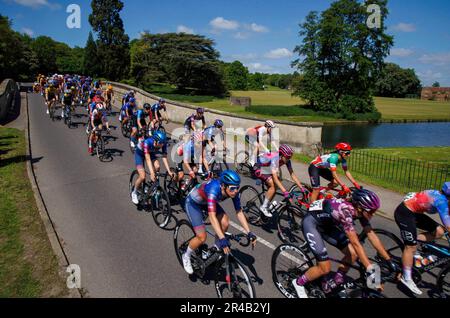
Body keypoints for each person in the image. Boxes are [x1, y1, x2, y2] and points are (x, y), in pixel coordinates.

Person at [292, 189, 396, 298]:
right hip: (312, 224)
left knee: (353, 254)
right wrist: (371, 270)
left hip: (328, 225)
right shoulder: (345, 212)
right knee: (325, 268)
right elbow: (355, 243)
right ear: (360, 207)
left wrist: (388, 259)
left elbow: (371, 235)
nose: (373, 214)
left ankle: (336, 280)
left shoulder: (360, 211)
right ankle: (298, 283)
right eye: (371, 211)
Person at [181, 170, 257, 275]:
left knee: (225, 222)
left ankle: (214, 250)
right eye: (232, 188)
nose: (235, 191)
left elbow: (239, 212)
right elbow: (212, 217)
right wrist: (222, 239)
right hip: (194, 204)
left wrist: (249, 232)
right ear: (223, 186)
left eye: (237, 188)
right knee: (202, 237)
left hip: (207, 202)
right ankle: (186, 256)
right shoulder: (213, 190)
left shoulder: (233, 192)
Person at [394, 182, 450, 295]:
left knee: (439, 232)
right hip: (404, 213)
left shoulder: (442, 197)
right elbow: (448, 225)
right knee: (410, 246)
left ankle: (413, 241)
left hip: (414, 213)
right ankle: (406, 277)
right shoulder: (441, 201)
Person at [254, 145, 305, 218]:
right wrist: (285, 191)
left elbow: (292, 174)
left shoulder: (287, 160)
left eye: (290, 157)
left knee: (276, 186)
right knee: (273, 185)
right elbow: (275, 178)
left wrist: (301, 187)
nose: (288, 159)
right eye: (287, 157)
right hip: (259, 167)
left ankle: (266, 203)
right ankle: (264, 207)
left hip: (267, 168)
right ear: (281, 155)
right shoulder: (275, 159)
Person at [131, 131, 174, 205]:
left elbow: (164, 157)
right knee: (142, 176)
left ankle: (151, 184)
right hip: (140, 154)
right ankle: (134, 192)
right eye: (161, 143)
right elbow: (147, 159)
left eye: (163, 143)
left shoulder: (162, 143)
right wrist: (151, 173)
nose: (162, 145)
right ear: (156, 141)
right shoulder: (147, 142)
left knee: (157, 167)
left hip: (150, 153)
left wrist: (169, 171)